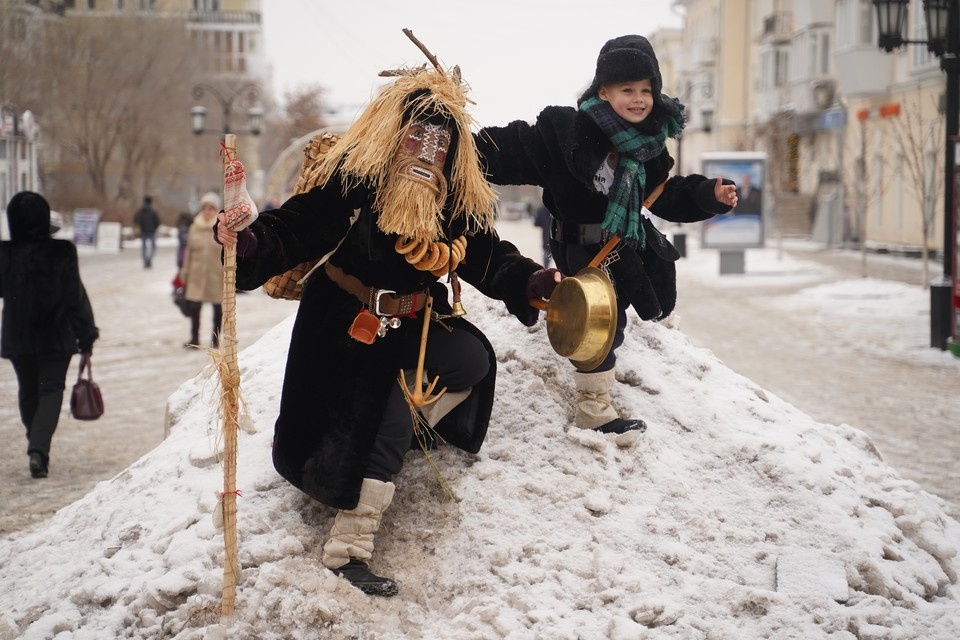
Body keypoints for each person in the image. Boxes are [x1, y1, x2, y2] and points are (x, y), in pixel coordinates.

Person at [214, 65, 560, 598]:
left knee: (470, 361)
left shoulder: (450, 200)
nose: (427, 150)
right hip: (346, 328)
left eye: (440, 142)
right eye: (417, 135)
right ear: (395, 134)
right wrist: (250, 240)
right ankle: (347, 549)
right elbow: (297, 225)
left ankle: (401, 433)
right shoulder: (355, 183)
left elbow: (488, 255)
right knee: (384, 414)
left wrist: (531, 280)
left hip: (413, 322)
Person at [475, 34, 738, 435]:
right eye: (627, 90)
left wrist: (707, 195)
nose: (638, 99)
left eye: (645, 90)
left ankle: (601, 362)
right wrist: (460, 149)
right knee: (600, 321)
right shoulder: (565, 133)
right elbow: (514, 149)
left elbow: (664, 195)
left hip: (620, 243)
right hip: (578, 243)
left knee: (626, 308)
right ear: (603, 91)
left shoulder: (649, 144)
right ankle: (594, 409)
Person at [0, 191, 99, 478]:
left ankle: (36, 445)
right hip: (55, 335)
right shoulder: (62, 252)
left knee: (28, 390)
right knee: (51, 389)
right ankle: (38, 449)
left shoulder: (5, 254)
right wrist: (86, 334)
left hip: (18, 334)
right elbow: (75, 296)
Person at [179, 192, 223, 349]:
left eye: (211, 208)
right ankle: (194, 338)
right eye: (204, 208)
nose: (207, 211)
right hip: (196, 274)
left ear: (216, 210)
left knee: (217, 308)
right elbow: (189, 252)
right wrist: (184, 273)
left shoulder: (222, 228)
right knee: (194, 307)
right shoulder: (194, 227)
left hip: (216, 275)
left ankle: (215, 340)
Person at [132, 195, 160, 269]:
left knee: (144, 248)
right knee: (153, 247)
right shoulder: (153, 211)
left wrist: (140, 227)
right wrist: (154, 228)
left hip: (143, 231)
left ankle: (145, 261)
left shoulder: (140, 211)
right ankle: (149, 259)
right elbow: (157, 221)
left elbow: (135, 220)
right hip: (152, 231)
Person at [533, 201, 552, 266]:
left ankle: (546, 269)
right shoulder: (557, 207)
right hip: (558, 236)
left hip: (546, 236)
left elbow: (536, 223)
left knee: (546, 255)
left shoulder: (542, 209)